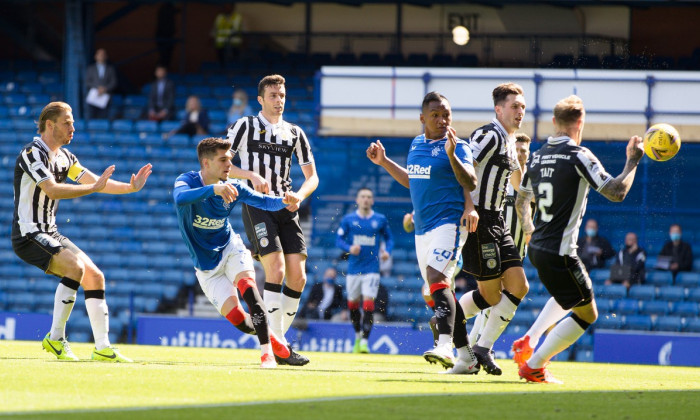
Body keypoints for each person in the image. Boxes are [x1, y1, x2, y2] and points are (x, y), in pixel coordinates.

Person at [514, 94, 643, 383]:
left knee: (567, 296)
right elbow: (617, 192)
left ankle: (530, 340)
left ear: (553, 122)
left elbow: (522, 198)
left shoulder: (537, 156)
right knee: (588, 313)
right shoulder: (579, 155)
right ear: (580, 123)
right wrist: (632, 162)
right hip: (560, 251)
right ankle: (534, 364)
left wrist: (528, 230)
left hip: (536, 247)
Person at [11, 101, 152, 362]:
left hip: (49, 231)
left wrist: (130, 188)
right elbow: (52, 189)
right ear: (50, 125)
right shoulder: (32, 153)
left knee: (95, 277)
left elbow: (94, 181)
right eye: (67, 122)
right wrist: (94, 188)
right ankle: (55, 338)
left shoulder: (65, 157)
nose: (72, 127)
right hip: (28, 233)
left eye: (73, 122)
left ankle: (102, 347)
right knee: (75, 268)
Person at [367, 91, 480, 375]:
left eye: (446, 116)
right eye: (435, 116)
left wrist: (452, 155)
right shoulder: (416, 143)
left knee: (437, 279)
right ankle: (467, 357)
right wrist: (383, 162)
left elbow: (470, 180)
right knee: (440, 291)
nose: (442, 121)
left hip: (449, 223)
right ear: (422, 118)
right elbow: (412, 180)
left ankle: (444, 346)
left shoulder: (458, 146)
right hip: (423, 229)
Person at [173, 137, 297, 368]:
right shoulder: (187, 181)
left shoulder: (235, 187)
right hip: (206, 267)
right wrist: (213, 189)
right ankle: (277, 342)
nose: (229, 165)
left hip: (231, 248)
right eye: (223, 160)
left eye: (230, 159)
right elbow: (180, 199)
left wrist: (286, 200)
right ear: (206, 163)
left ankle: (267, 355)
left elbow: (266, 202)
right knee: (240, 321)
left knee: (249, 291)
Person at [226, 74, 318, 366]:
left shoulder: (294, 133)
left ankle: (277, 339)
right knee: (275, 270)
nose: (279, 101)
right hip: (256, 205)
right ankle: (278, 345)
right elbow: (222, 163)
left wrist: (300, 196)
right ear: (260, 100)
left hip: (286, 206)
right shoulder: (245, 125)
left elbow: (312, 176)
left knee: (299, 277)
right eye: (273, 96)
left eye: (282, 96)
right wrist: (250, 175)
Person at [458, 82, 530, 376]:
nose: (520, 112)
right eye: (515, 106)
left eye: (523, 107)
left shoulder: (510, 141)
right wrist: (468, 207)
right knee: (489, 296)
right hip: (480, 220)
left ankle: (482, 348)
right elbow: (463, 169)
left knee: (519, 286)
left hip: (499, 221)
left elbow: (518, 185)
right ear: (498, 109)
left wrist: (530, 220)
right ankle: (446, 318)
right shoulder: (489, 135)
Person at [469, 132, 532, 346]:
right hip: (495, 242)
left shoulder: (531, 183)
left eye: (525, 150)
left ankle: (475, 342)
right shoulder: (502, 179)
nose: (521, 154)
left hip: (517, 249)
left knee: (499, 297)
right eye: (518, 150)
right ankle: (478, 343)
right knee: (493, 295)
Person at [336, 188, 394, 353]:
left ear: (372, 201)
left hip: (372, 269)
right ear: (357, 200)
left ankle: (365, 342)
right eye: (363, 197)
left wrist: (387, 251)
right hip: (354, 269)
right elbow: (338, 240)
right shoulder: (349, 219)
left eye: (369, 197)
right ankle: (357, 336)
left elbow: (389, 238)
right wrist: (349, 248)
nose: (366, 199)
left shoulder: (380, 220)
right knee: (353, 304)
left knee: (368, 303)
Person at [84, 48, 117, 119]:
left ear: (106, 56)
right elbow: (87, 82)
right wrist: (98, 88)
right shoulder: (91, 68)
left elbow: (113, 82)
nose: (101, 56)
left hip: (105, 98)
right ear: (95, 56)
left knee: (104, 118)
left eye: (103, 55)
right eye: (99, 54)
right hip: (93, 97)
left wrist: (105, 89)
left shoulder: (110, 69)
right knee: (91, 117)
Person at [155, 1, 179, 67]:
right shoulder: (166, 9)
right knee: (165, 57)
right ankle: (158, 74)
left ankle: (161, 72)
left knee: (166, 57)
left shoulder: (166, 9)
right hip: (164, 36)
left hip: (166, 36)